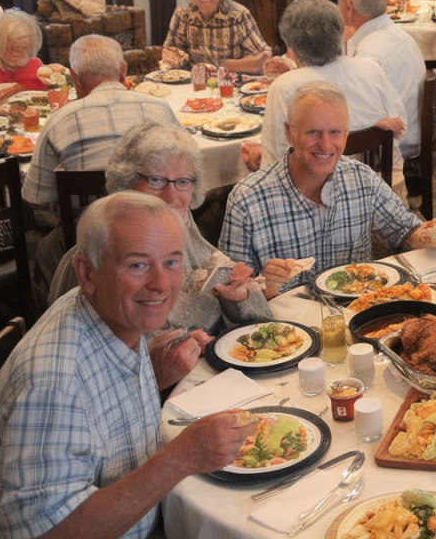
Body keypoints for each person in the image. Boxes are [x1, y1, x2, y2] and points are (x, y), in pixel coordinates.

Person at [0, 192, 257, 539]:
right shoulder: (53, 382)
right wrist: (180, 458)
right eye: (137, 265)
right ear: (87, 273)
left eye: (172, 262)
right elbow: (47, 533)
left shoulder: (116, 321)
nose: (161, 284)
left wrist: (155, 375)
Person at [47, 123, 277, 388]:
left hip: (211, 379)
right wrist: (157, 372)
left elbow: (262, 321)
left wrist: (240, 299)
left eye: (183, 181)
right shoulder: (102, 259)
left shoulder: (183, 225)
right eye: (156, 180)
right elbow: (97, 381)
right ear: (125, 184)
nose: (171, 196)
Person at [221, 82, 436, 287]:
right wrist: (264, 290)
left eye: (335, 132)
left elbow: (407, 232)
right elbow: (229, 295)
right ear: (290, 133)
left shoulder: (362, 179)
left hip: (356, 317)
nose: (325, 144)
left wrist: (430, 235)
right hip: (287, 327)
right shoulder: (247, 199)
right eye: (313, 132)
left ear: (346, 135)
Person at [23, 35, 181, 207]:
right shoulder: (160, 108)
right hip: (158, 225)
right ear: (123, 71)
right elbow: (188, 170)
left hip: (88, 230)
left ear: (75, 77)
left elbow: (36, 197)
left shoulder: (58, 121)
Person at [259, 0, 407, 176]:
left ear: (291, 45)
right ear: (339, 34)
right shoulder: (369, 67)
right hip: (384, 182)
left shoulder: (285, 87)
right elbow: (400, 127)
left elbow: (276, 161)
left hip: (317, 193)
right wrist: (368, 127)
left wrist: (258, 156)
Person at [339, 0, 426, 159]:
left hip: (394, 148)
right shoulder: (399, 35)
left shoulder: (369, 57)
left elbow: (359, 120)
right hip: (416, 133)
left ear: (348, 7)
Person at [164, 0, 271, 73]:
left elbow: (265, 57)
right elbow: (170, 53)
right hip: (195, 83)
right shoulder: (184, 15)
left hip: (231, 83)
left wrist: (228, 66)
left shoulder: (238, 15)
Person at [0, 11, 66, 99]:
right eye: (16, 49)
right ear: (0, 46)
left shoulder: (35, 65)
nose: (21, 53)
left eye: (26, 48)